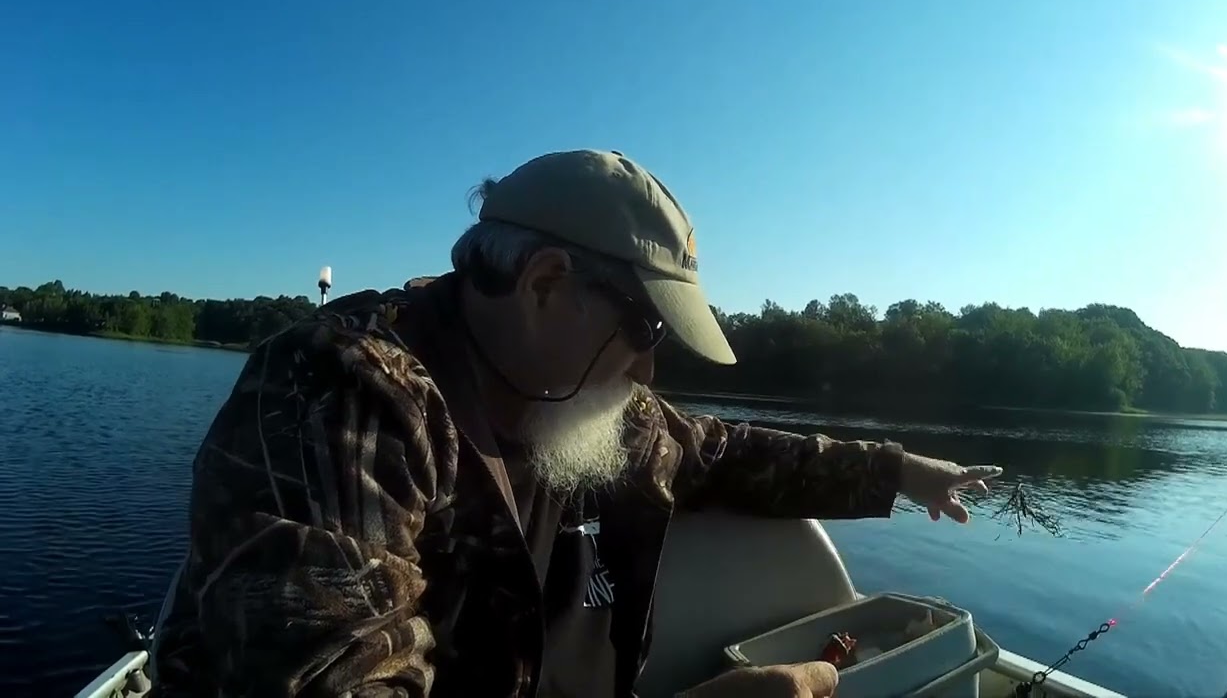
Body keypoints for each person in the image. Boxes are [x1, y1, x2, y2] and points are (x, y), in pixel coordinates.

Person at [150, 149, 1002, 698]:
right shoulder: (343, 396)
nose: (651, 368)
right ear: (546, 284)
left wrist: (901, 471)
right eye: (646, 329)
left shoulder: (596, 406)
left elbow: (725, 450)